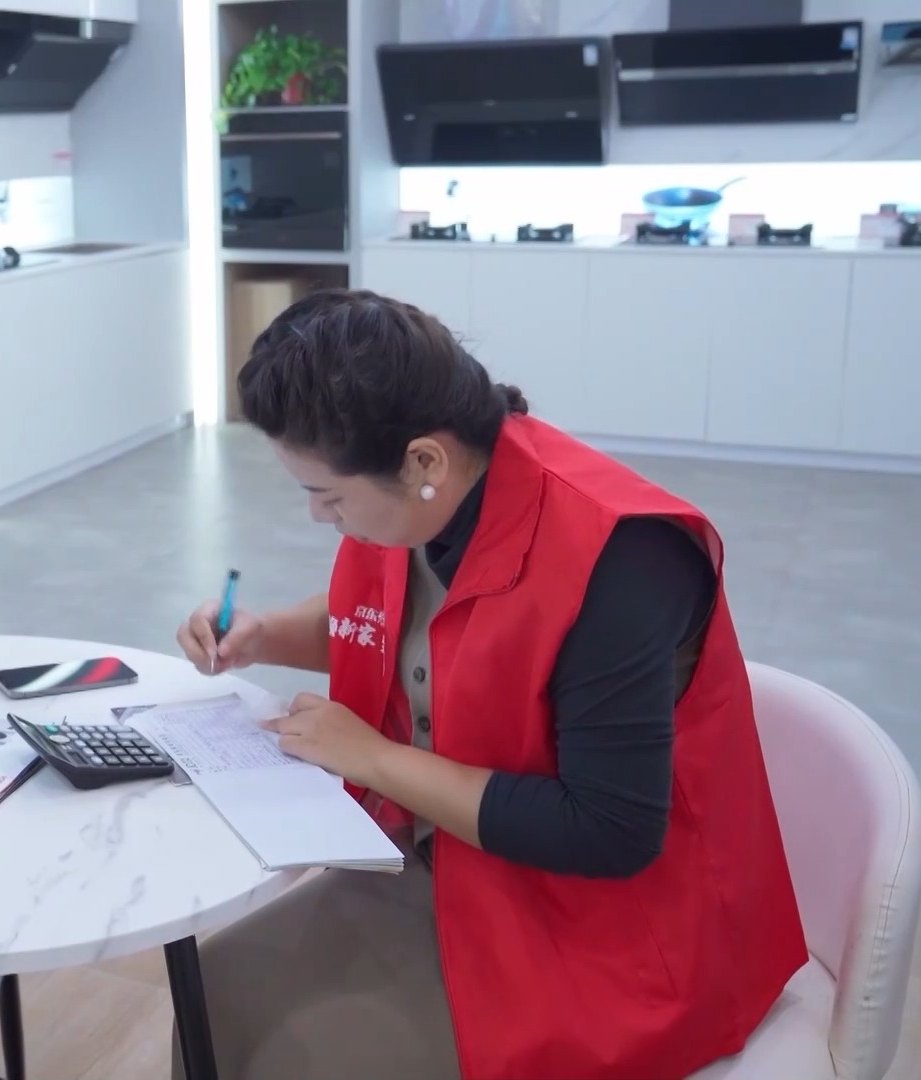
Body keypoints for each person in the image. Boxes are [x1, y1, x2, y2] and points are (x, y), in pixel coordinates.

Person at [170, 289, 807, 1080]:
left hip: (610, 933)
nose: (317, 518)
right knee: (207, 995)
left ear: (424, 462)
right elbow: (390, 624)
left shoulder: (620, 560)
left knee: (286, 1052)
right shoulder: (426, 501)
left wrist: (371, 758)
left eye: (328, 497)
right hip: (456, 862)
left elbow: (609, 832)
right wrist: (264, 634)